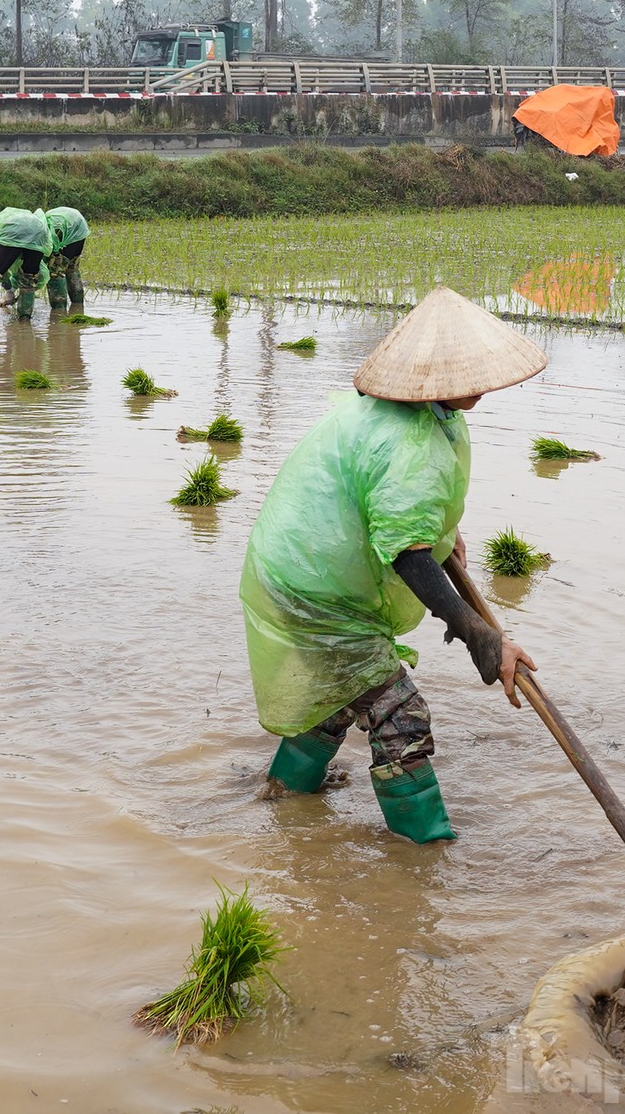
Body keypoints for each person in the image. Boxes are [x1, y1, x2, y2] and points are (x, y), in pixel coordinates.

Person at [240, 287, 546, 844]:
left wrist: (440, 536)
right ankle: (424, 856)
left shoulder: (423, 412)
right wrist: (479, 632)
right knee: (399, 716)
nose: (478, 387)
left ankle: (283, 799)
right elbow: (406, 554)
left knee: (335, 695)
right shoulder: (407, 438)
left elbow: (400, 507)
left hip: (300, 567)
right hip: (314, 589)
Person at [41, 206, 90, 312]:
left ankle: (59, 311)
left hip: (68, 227)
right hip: (79, 226)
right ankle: (78, 307)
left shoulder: (42, 231)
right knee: (72, 268)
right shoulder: (43, 224)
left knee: (55, 272)